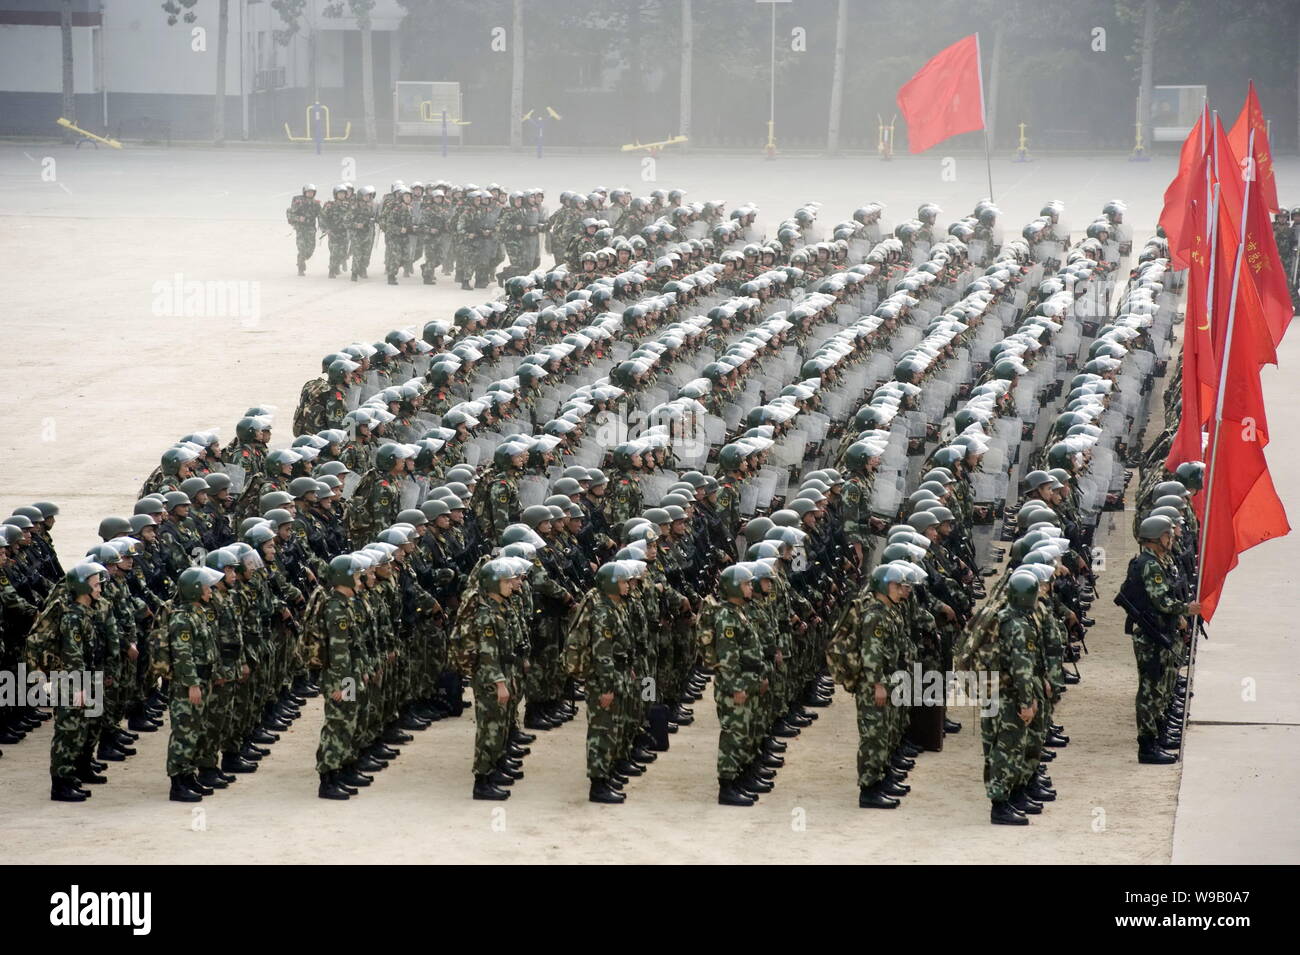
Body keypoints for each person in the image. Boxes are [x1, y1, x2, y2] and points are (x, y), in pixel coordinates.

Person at [287, 184, 320, 275]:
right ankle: (300, 268)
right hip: (301, 229)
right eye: (308, 192)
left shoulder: (316, 204)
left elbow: (321, 215)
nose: (310, 193)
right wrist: (298, 218)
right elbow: (290, 214)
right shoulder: (298, 202)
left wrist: (325, 226)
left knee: (310, 250)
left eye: (312, 192)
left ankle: (302, 259)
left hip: (311, 229)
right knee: (302, 249)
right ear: (305, 192)